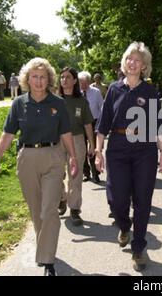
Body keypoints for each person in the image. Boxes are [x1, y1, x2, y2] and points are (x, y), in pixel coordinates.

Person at [0, 58, 78, 276]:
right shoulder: (19, 103)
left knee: (49, 210)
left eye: (43, 77)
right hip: (27, 157)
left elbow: (66, 133)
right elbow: (8, 133)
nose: (38, 81)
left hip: (53, 157)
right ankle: (45, 246)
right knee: (36, 210)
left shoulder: (57, 103)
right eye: (34, 77)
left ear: (49, 79)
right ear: (27, 80)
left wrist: (73, 157)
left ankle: (47, 261)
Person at [95, 41, 162, 271]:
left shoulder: (150, 92)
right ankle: (124, 226)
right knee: (117, 199)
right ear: (124, 63)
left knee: (143, 200)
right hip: (117, 148)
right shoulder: (114, 89)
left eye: (137, 60)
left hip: (144, 150)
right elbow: (103, 124)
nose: (132, 63)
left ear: (144, 66)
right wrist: (98, 151)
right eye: (129, 59)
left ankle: (138, 248)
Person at [58, 67, 95, 226]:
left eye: (68, 77)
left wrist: (92, 145)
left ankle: (74, 209)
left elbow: (88, 125)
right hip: (57, 141)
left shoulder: (81, 102)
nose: (64, 80)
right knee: (56, 174)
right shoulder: (54, 100)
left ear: (74, 81)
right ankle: (61, 198)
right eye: (62, 77)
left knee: (76, 176)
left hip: (77, 140)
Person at [79, 71, 103, 183]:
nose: (82, 85)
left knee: (93, 148)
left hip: (94, 122)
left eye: (84, 83)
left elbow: (101, 107)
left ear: (89, 82)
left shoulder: (96, 92)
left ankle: (95, 173)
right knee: (82, 149)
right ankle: (86, 173)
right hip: (80, 124)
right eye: (80, 83)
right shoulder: (77, 94)